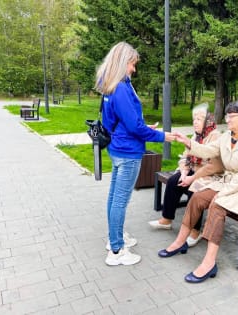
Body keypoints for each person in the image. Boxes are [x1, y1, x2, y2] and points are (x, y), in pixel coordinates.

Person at [159, 100, 238, 283]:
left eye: (232, 116)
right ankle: (179, 242)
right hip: (230, 183)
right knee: (198, 197)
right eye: (227, 115)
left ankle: (209, 263)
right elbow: (208, 149)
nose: (228, 119)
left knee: (217, 205)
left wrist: (222, 194)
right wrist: (187, 142)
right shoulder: (227, 136)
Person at [95, 42, 175, 266]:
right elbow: (133, 127)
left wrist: (141, 125)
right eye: (132, 64)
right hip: (128, 152)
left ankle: (115, 238)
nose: (134, 69)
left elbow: (116, 122)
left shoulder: (109, 85)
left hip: (117, 148)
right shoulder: (121, 87)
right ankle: (117, 250)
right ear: (123, 62)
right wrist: (161, 136)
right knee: (120, 200)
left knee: (114, 198)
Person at [148, 103, 223, 247]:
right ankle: (166, 219)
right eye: (194, 119)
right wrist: (183, 172)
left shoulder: (215, 137)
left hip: (209, 175)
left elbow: (213, 166)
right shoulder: (196, 136)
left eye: (199, 119)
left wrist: (192, 177)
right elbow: (185, 157)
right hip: (192, 171)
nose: (195, 122)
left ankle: (195, 231)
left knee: (194, 190)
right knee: (173, 181)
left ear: (208, 121)